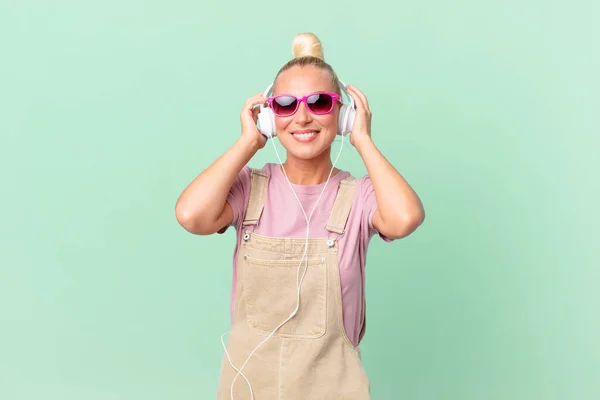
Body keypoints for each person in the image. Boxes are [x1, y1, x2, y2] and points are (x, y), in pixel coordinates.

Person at [175, 32, 425, 400]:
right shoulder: (249, 189)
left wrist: (363, 140)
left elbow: (405, 218)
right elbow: (190, 215)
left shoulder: (359, 197)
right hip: (249, 389)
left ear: (344, 115)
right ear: (268, 116)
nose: (303, 117)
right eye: (286, 104)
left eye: (321, 102)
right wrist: (248, 142)